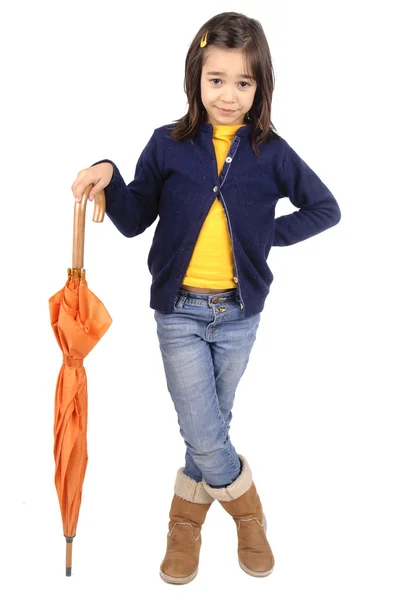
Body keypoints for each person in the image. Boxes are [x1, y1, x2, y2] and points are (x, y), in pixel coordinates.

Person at [71, 11, 341, 585]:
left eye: (244, 82)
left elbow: (326, 208)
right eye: (216, 78)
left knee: (208, 424)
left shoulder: (274, 152)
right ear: (196, 76)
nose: (228, 93)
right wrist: (110, 172)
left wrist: (266, 234)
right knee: (202, 423)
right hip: (180, 310)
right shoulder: (168, 145)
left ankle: (184, 524)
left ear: (261, 87)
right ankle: (249, 514)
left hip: (241, 314)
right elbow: (133, 218)